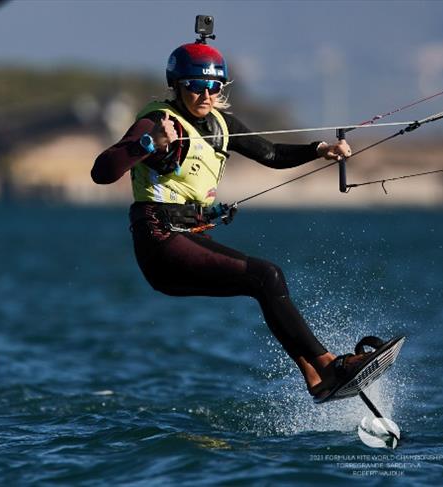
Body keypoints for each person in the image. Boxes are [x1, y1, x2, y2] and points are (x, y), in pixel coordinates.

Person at [92, 40, 368, 401]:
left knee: (263, 283)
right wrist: (147, 143)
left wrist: (318, 150)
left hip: (191, 237)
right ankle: (330, 364)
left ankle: (316, 377)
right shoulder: (156, 120)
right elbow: (102, 172)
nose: (205, 95)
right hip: (159, 242)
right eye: (195, 86)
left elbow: (270, 153)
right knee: (266, 275)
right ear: (175, 84)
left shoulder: (222, 125)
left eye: (214, 87)